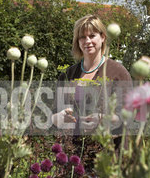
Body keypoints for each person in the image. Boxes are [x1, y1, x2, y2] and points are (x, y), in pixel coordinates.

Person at [51, 14, 132, 146]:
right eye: (82, 37)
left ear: (103, 37)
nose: (87, 41)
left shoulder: (118, 73)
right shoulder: (68, 75)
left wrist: (101, 119)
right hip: (73, 154)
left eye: (92, 36)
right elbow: (53, 116)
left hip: (107, 155)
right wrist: (58, 118)